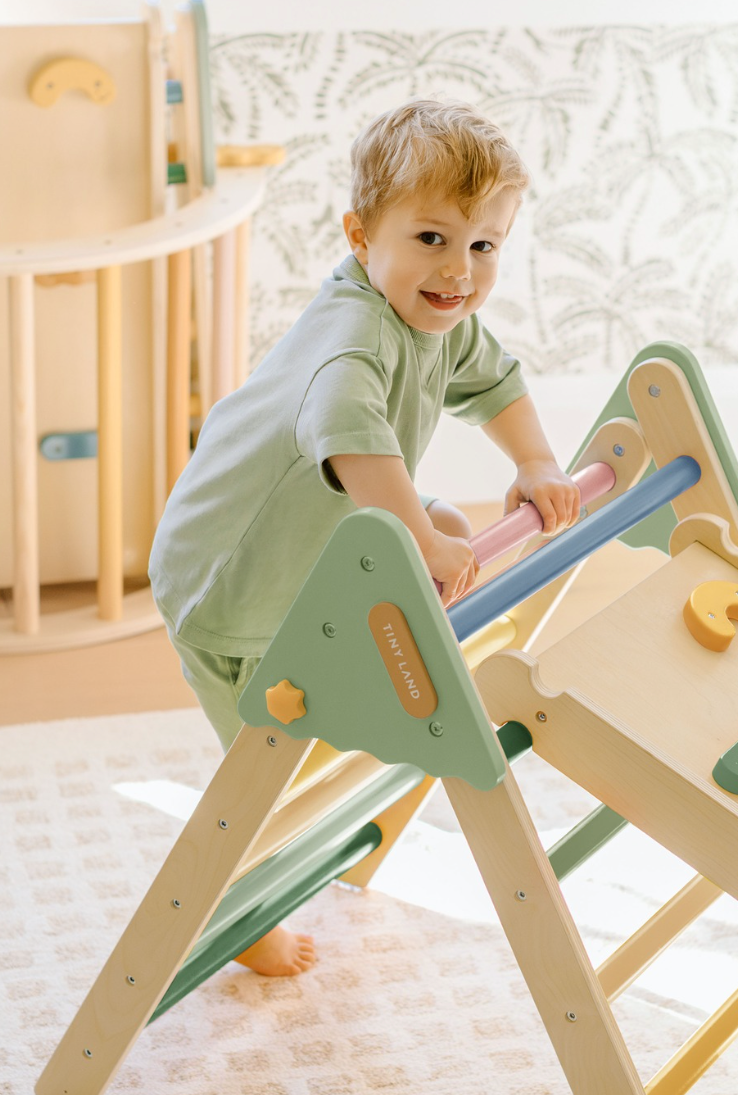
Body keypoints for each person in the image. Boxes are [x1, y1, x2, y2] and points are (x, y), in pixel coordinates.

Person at [148, 98, 581, 977]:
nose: (458, 269)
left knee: (426, 531)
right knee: (265, 775)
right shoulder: (350, 340)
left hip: (308, 554)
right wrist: (418, 533)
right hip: (230, 588)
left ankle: (421, 537)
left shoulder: (437, 316)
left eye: (484, 245)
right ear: (360, 234)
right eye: (431, 238)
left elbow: (494, 378)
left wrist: (536, 460)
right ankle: (240, 916)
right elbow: (353, 441)